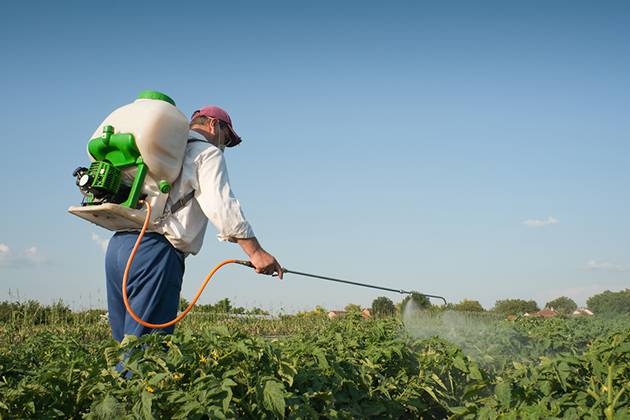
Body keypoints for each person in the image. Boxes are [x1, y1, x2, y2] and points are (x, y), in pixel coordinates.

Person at [105, 105, 282, 342]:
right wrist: (256, 252)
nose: (223, 146)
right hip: (155, 252)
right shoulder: (206, 153)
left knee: (124, 344)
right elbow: (221, 204)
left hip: (119, 247)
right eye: (225, 138)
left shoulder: (160, 149)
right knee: (146, 353)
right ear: (213, 125)